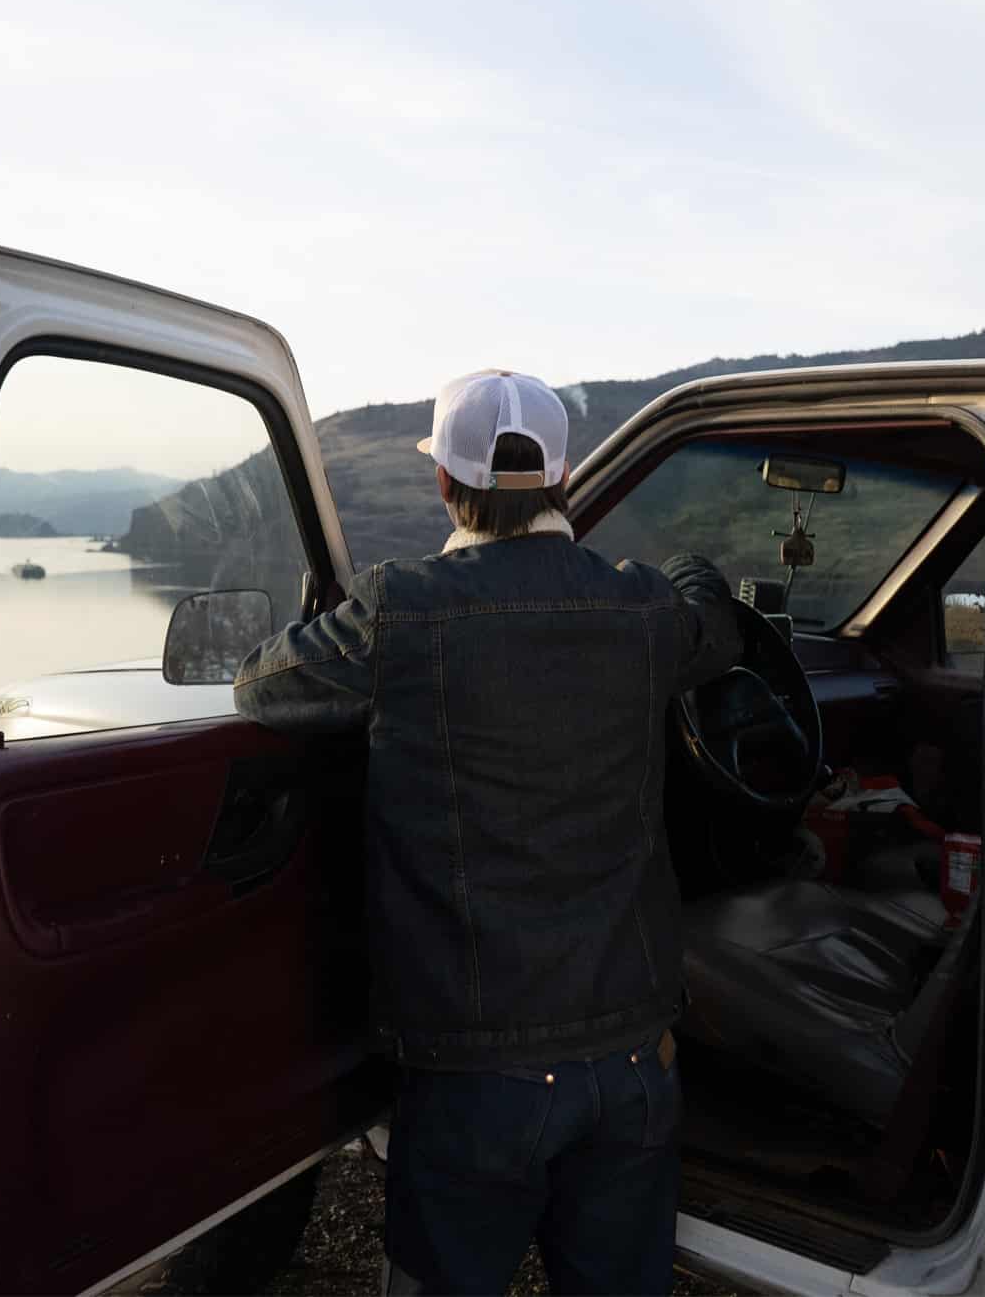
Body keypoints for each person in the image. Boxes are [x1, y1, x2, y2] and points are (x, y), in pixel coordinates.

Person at [233, 369, 741, 1295]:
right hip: (633, 1054)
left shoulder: (401, 611)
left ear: (443, 483)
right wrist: (686, 565)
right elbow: (716, 620)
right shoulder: (641, 609)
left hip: (473, 1072)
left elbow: (261, 686)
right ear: (564, 479)